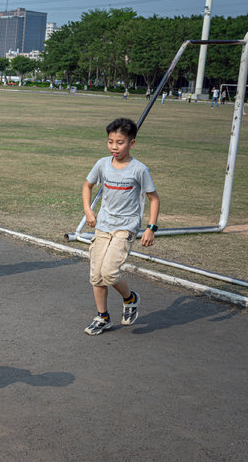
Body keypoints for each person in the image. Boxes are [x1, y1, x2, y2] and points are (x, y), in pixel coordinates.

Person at [82, 118, 160, 336]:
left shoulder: (139, 170)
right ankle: (103, 317)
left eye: (120, 142)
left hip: (125, 228)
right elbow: (87, 185)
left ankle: (130, 298)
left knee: (109, 272)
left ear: (131, 144)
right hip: (103, 226)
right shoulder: (102, 164)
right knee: (96, 275)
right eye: (110, 142)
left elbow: (154, 198)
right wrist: (88, 210)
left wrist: (151, 227)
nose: (114, 147)